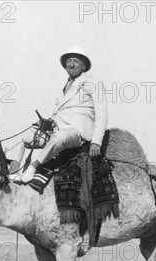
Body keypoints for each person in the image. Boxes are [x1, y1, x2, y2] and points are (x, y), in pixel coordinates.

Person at [14, 46, 109, 183]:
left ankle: (33, 166)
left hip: (78, 133)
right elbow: (56, 113)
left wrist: (96, 142)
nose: (71, 64)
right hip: (57, 129)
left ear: (84, 65)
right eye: (69, 61)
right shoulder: (62, 89)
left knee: (60, 138)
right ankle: (13, 170)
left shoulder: (94, 83)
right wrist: (48, 123)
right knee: (25, 136)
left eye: (75, 61)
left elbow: (102, 115)